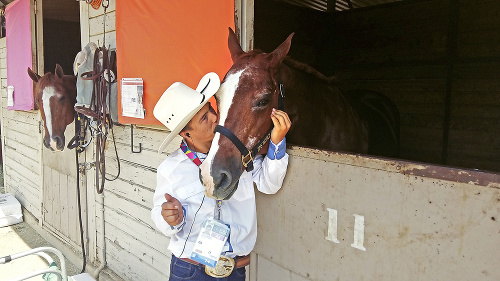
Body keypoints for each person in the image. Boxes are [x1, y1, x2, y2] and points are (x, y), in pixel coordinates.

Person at [151, 72, 291, 281]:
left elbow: (269, 184)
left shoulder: (239, 152)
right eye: (204, 118)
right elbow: (158, 215)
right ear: (186, 134)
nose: (216, 117)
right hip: (190, 272)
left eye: (211, 110)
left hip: (234, 271)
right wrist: (169, 219)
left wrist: (277, 143)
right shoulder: (172, 168)